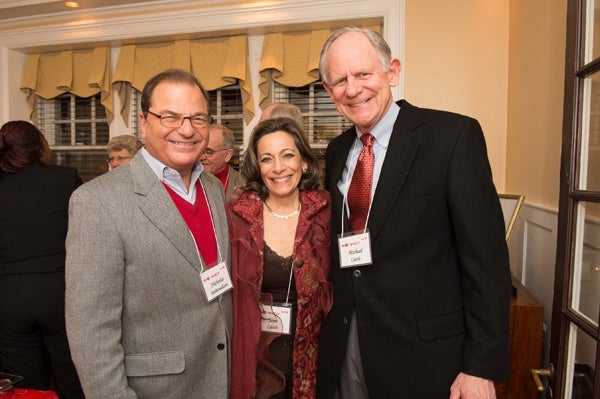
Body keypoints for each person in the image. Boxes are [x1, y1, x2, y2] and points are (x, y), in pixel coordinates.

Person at [316, 27, 511, 399]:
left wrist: (480, 367)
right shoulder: (338, 149)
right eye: (339, 80)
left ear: (392, 71)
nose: (352, 89)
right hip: (348, 344)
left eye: (363, 74)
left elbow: (487, 263)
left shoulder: (453, 137)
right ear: (329, 91)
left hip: (427, 357)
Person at [65, 68, 232, 399]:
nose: (186, 130)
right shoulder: (97, 201)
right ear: (144, 122)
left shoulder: (213, 187)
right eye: (170, 117)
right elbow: (91, 334)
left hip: (218, 377)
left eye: (198, 119)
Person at [227, 117, 332, 399]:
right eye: (266, 159)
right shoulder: (236, 217)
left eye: (288, 155)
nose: (278, 168)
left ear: (305, 162)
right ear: (257, 168)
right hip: (254, 366)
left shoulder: (326, 213)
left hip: (316, 364)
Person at [0, 121, 84, 398]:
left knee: (26, 388)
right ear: (39, 147)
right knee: (74, 378)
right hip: (60, 294)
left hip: (8, 300)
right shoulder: (65, 178)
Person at [200, 123, 245, 201]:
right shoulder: (186, 179)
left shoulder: (244, 186)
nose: (201, 157)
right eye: (200, 150)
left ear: (227, 155)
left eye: (209, 152)